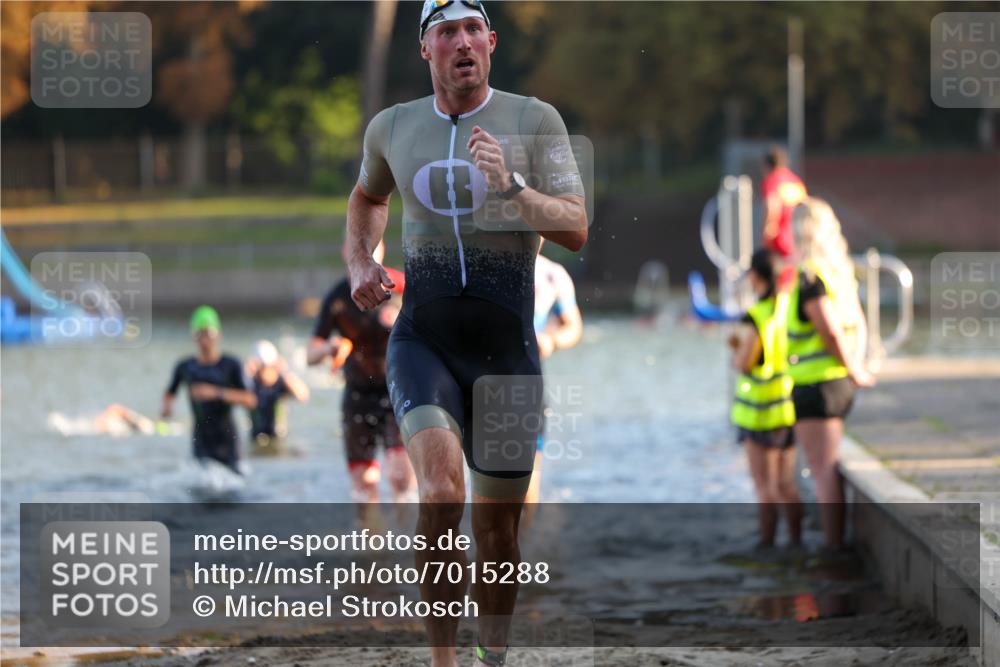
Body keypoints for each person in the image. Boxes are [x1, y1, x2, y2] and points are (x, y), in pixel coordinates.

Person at [344, 1, 588, 664]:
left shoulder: (535, 120)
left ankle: (493, 653)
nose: (462, 43)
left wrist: (510, 186)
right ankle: (443, 659)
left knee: (498, 533)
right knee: (442, 493)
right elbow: (368, 197)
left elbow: (574, 226)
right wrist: (360, 261)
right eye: (446, 32)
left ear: (492, 41)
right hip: (424, 341)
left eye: (472, 30)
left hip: (507, 352)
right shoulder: (392, 127)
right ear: (425, 49)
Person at [788, 198, 876, 550]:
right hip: (837, 383)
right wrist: (856, 365)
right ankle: (834, 542)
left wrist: (853, 368)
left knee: (822, 470)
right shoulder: (839, 275)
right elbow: (858, 323)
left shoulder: (810, 277)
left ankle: (833, 548)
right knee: (827, 465)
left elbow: (830, 330)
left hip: (817, 385)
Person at [307, 242, 416, 505]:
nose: (366, 252)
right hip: (357, 393)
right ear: (346, 252)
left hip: (397, 390)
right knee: (364, 485)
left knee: (401, 476)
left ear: (382, 250)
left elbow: (434, 324)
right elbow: (310, 355)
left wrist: (404, 320)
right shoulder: (337, 297)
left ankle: (410, 528)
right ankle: (370, 532)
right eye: (358, 246)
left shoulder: (400, 285)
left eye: (372, 245)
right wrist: (330, 348)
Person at [729, 249, 801, 550]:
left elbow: (745, 363)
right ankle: (796, 541)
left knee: (765, 487)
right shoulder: (788, 308)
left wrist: (735, 348)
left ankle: (767, 545)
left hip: (759, 414)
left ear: (755, 276)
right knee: (786, 484)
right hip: (787, 408)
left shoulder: (755, 316)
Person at [162, 306, 257, 474]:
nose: (205, 339)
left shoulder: (231, 364)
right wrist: (167, 409)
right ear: (194, 336)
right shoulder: (185, 366)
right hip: (201, 440)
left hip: (227, 440)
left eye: (209, 333)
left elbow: (251, 400)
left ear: (218, 334)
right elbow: (170, 392)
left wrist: (216, 393)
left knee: (233, 484)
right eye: (200, 333)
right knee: (201, 484)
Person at [525, 250, 583, 506]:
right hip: (476, 372)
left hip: (527, 376)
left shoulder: (553, 274)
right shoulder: (478, 261)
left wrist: (551, 340)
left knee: (527, 479)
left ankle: (525, 531)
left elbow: (573, 326)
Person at [245, 340, 310, 456]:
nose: (265, 372)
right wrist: (245, 373)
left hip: (279, 440)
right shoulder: (251, 383)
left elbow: (303, 396)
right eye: (262, 367)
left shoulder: (282, 383)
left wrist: (285, 372)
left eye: (268, 367)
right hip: (256, 439)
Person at [761, 145, 807, 258]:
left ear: (767, 165)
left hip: (780, 239)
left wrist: (768, 231)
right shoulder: (795, 181)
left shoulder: (772, 180)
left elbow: (771, 205)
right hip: (799, 237)